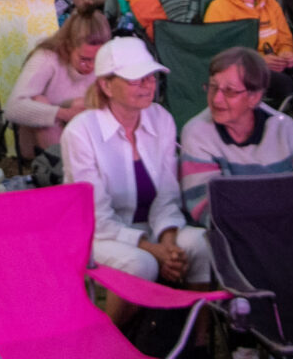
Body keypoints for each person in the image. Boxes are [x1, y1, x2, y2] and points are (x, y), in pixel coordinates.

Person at [62, 38, 212, 305]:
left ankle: (199, 329)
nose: (148, 85)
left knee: (200, 243)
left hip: (151, 228)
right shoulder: (80, 132)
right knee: (141, 264)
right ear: (106, 85)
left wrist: (168, 244)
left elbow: (167, 193)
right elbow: (97, 216)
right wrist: (154, 251)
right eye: (135, 79)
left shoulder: (161, 119)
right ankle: (111, 330)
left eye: (151, 77)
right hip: (96, 236)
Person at [175, 46, 293, 224]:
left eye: (229, 91)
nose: (216, 99)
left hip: (290, 224)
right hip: (232, 232)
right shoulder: (198, 133)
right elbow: (204, 207)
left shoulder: (284, 129)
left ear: (254, 97)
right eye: (213, 87)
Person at [4, 2, 112, 157]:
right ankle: (62, 166)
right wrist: (64, 113)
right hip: (38, 138)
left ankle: (92, 161)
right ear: (68, 47)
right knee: (39, 101)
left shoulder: (108, 60)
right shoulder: (47, 58)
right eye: (84, 59)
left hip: (79, 134)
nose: (91, 66)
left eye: (97, 59)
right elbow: (12, 108)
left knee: (88, 103)